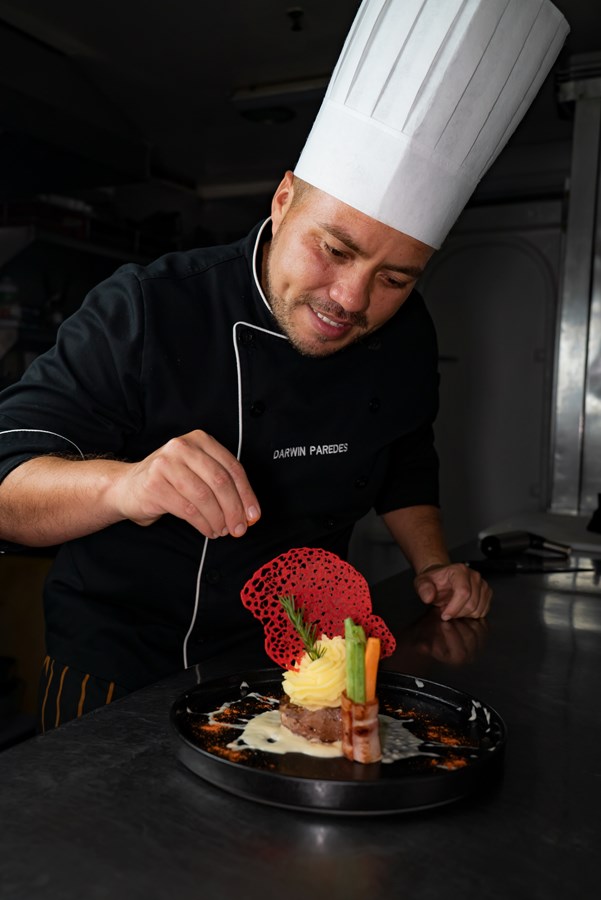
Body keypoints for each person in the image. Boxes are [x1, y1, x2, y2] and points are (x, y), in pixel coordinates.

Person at [0, 0, 568, 729]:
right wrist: (125, 485)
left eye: (395, 278)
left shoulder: (405, 330)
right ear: (283, 199)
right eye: (334, 250)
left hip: (304, 669)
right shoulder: (149, 307)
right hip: (122, 676)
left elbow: (403, 454)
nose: (352, 300)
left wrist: (431, 564)